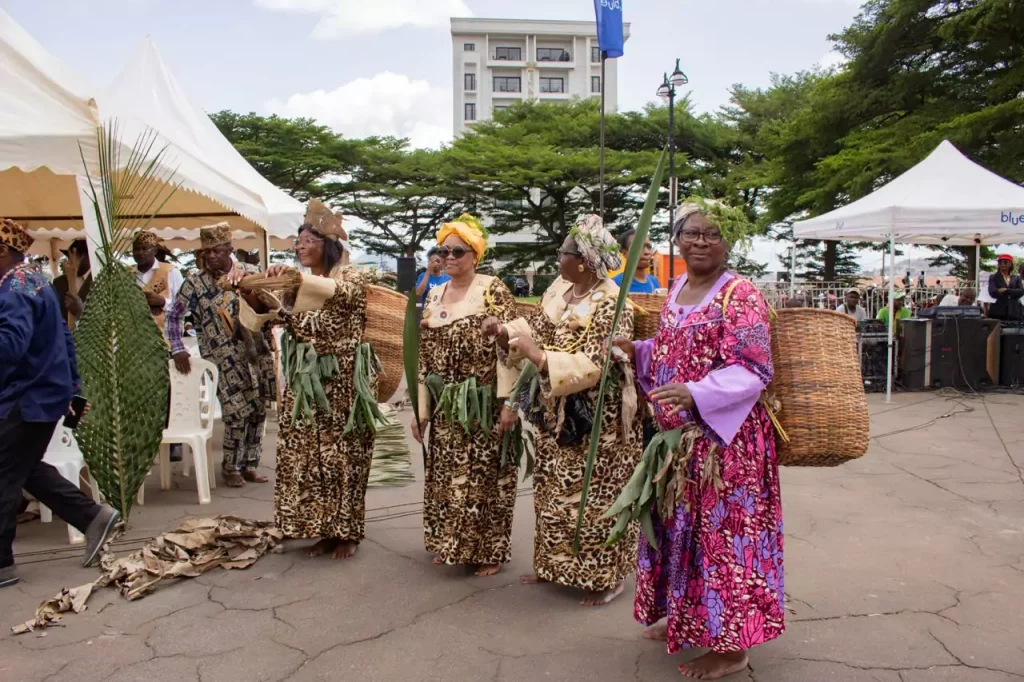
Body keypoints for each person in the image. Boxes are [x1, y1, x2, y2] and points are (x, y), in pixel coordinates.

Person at [612, 200, 784, 680]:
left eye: (712, 234)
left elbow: (753, 368)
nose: (701, 242)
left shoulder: (740, 294)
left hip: (726, 448)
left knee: (724, 542)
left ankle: (732, 649)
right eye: (692, 233)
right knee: (682, 533)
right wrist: (640, 350)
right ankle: (688, 620)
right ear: (678, 238)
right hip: (679, 442)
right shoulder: (677, 288)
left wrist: (696, 392)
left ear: (729, 242)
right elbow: (673, 350)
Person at [485, 215, 643, 605]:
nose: (558, 258)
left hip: (598, 422)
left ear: (584, 261)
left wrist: (540, 358)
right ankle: (555, 564)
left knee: (595, 499)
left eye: (564, 253)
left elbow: (599, 361)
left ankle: (607, 577)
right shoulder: (560, 290)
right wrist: (505, 332)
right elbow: (535, 328)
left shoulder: (613, 301)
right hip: (556, 413)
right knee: (553, 492)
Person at [237, 200, 376, 561]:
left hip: (344, 384)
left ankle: (347, 532)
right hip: (304, 386)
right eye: (297, 241)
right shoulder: (296, 283)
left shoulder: (351, 278)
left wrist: (296, 280)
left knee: (344, 458)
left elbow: (337, 294)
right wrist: (250, 290)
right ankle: (322, 528)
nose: (299, 247)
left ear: (328, 245)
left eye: (307, 240)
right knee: (309, 457)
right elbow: (270, 314)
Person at [0, 219, 120, 588]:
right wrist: (71, 385)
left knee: (4, 473)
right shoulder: (35, 281)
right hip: (44, 394)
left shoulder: (15, 288)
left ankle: (2, 564)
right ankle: (92, 517)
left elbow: (10, 344)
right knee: (23, 466)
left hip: (26, 396)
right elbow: (65, 338)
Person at [412, 214, 520, 577]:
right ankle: (451, 543)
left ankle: (489, 551)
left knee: (485, 479)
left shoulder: (492, 289)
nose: (450, 256)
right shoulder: (436, 292)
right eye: (445, 250)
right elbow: (425, 358)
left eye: (458, 250)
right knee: (447, 478)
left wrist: (508, 403)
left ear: (475, 255)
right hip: (447, 408)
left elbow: (509, 349)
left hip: (484, 404)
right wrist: (421, 410)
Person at [165, 224, 275, 488]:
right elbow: (173, 316)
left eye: (216, 250)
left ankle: (250, 464)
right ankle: (230, 467)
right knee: (236, 412)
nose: (211, 256)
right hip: (221, 357)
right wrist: (178, 347)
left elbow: (272, 306)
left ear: (230, 249)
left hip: (256, 354)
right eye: (206, 252)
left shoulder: (249, 274)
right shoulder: (194, 282)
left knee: (258, 411)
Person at [132, 231, 183, 339]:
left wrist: (163, 302)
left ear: (154, 251)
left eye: (144, 249)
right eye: (136, 249)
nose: (140, 252)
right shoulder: (126, 275)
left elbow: (185, 309)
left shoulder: (170, 271)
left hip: (166, 341)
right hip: (134, 344)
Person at [52, 239, 92, 328]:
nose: (68, 261)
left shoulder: (97, 280)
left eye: (71, 256)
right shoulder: (59, 282)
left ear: (84, 257)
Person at [612, 229, 662, 293]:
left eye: (649, 247)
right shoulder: (615, 284)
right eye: (639, 247)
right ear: (624, 253)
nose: (647, 252)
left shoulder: (654, 282)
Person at [987, 254, 1023, 322]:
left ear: (1011, 264)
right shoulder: (993, 277)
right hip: (997, 311)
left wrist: (1005, 290)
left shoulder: (1016, 278)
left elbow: (1021, 291)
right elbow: (992, 292)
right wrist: (1013, 292)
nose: (1002, 264)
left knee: (1014, 331)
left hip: (1014, 311)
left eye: (1005, 262)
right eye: (1000, 262)